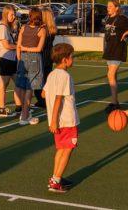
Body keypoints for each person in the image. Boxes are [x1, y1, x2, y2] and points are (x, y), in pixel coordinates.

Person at [42, 43, 78, 193]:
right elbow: (58, 99)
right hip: (66, 120)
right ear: (65, 60)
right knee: (67, 149)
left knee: (61, 148)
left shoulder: (52, 74)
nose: (73, 59)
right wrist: (54, 121)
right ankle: (56, 182)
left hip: (57, 120)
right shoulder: (65, 76)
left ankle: (55, 177)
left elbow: (44, 94)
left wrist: (53, 119)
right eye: (71, 57)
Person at [102, 0, 128, 113]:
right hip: (109, 50)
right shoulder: (108, 19)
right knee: (112, 76)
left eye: (110, 6)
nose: (108, 8)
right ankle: (115, 101)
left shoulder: (121, 19)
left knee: (110, 75)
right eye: (107, 6)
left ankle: (114, 103)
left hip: (118, 50)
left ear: (117, 8)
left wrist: (125, 33)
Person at [15, 7, 46, 125]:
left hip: (23, 58)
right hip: (34, 58)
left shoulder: (23, 28)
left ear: (30, 16)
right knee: (30, 88)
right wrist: (28, 49)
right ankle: (24, 116)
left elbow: (18, 46)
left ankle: (25, 113)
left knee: (23, 86)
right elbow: (39, 49)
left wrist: (19, 60)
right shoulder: (41, 30)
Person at [0, 5, 22, 117]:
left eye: (14, 14)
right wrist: (19, 46)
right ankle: (2, 109)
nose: (14, 17)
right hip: (5, 59)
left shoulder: (7, 27)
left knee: (18, 83)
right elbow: (6, 45)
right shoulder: (2, 27)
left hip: (11, 59)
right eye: (12, 14)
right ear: (6, 14)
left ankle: (19, 108)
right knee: (3, 84)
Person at [34, 8, 57, 108]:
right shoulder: (52, 29)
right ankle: (46, 99)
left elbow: (40, 45)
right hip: (49, 57)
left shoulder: (42, 30)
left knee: (38, 81)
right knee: (46, 79)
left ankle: (42, 100)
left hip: (41, 56)